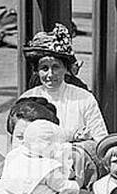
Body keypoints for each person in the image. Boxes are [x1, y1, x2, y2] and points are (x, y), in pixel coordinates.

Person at [21, 24, 108, 152]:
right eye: (44, 68)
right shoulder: (26, 99)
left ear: (65, 69)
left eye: (56, 67)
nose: (50, 74)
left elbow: (101, 140)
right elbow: (18, 141)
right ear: (37, 71)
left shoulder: (84, 98)